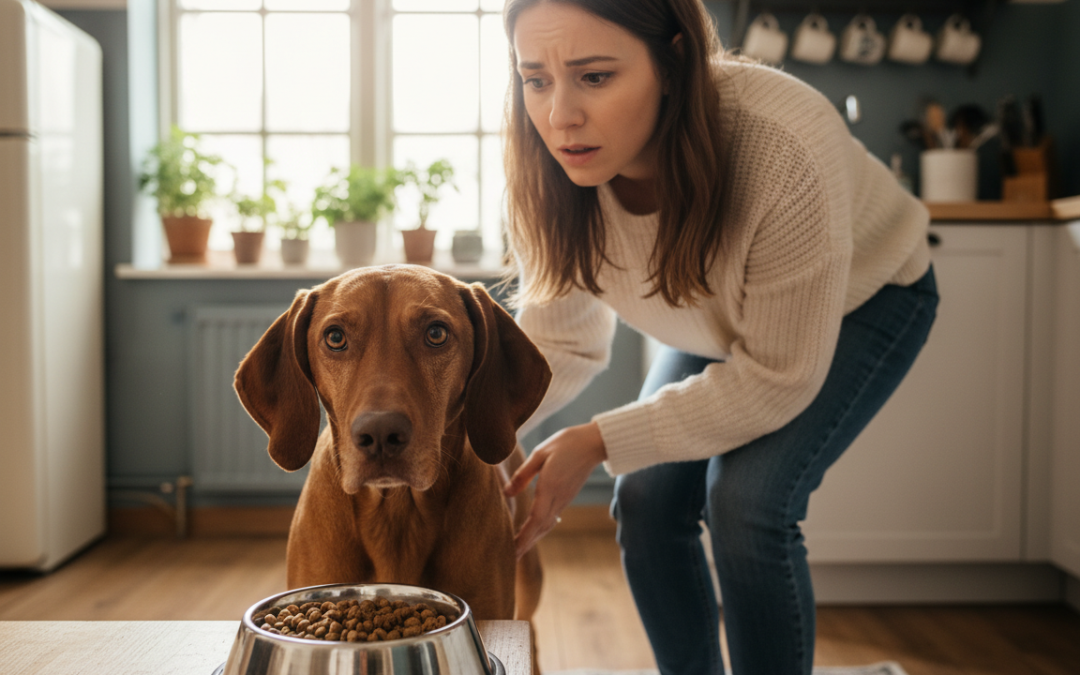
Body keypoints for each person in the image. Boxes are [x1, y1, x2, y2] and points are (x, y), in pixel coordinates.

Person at [498, 1, 939, 674]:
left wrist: (596, 438)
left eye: (594, 77)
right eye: (536, 79)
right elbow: (561, 343)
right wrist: (469, 435)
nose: (560, 116)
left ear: (673, 59)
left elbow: (776, 376)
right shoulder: (547, 170)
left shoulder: (782, 144)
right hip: (714, 320)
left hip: (870, 293)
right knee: (645, 498)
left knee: (747, 505)